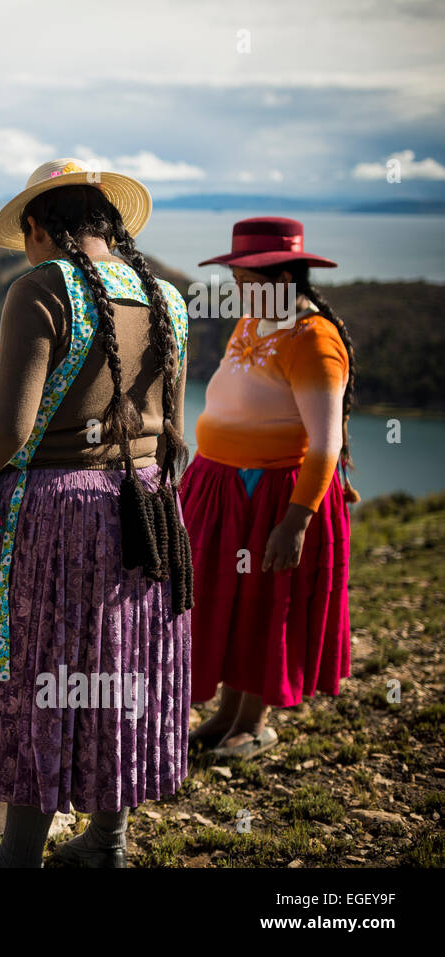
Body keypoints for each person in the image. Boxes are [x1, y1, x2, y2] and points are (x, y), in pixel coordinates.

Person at [0, 158, 193, 867]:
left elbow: (7, 428)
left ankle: (18, 855)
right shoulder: (167, 299)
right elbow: (176, 432)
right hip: (150, 507)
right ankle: (107, 840)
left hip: (58, 514)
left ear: (40, 227)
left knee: (34, 670)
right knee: (117, 668)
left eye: (27, 234)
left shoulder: (41, 290)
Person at [180, 218, 354, 759]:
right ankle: (227, 715)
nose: (236, 287)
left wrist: (296, 520)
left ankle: (253, 724)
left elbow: (325, 445)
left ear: (280, 276)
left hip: (276, 496)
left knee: (264, 604)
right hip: (226, 487)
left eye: (244, 276)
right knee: (229, 601)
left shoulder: (315, 341)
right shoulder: (255, 321)